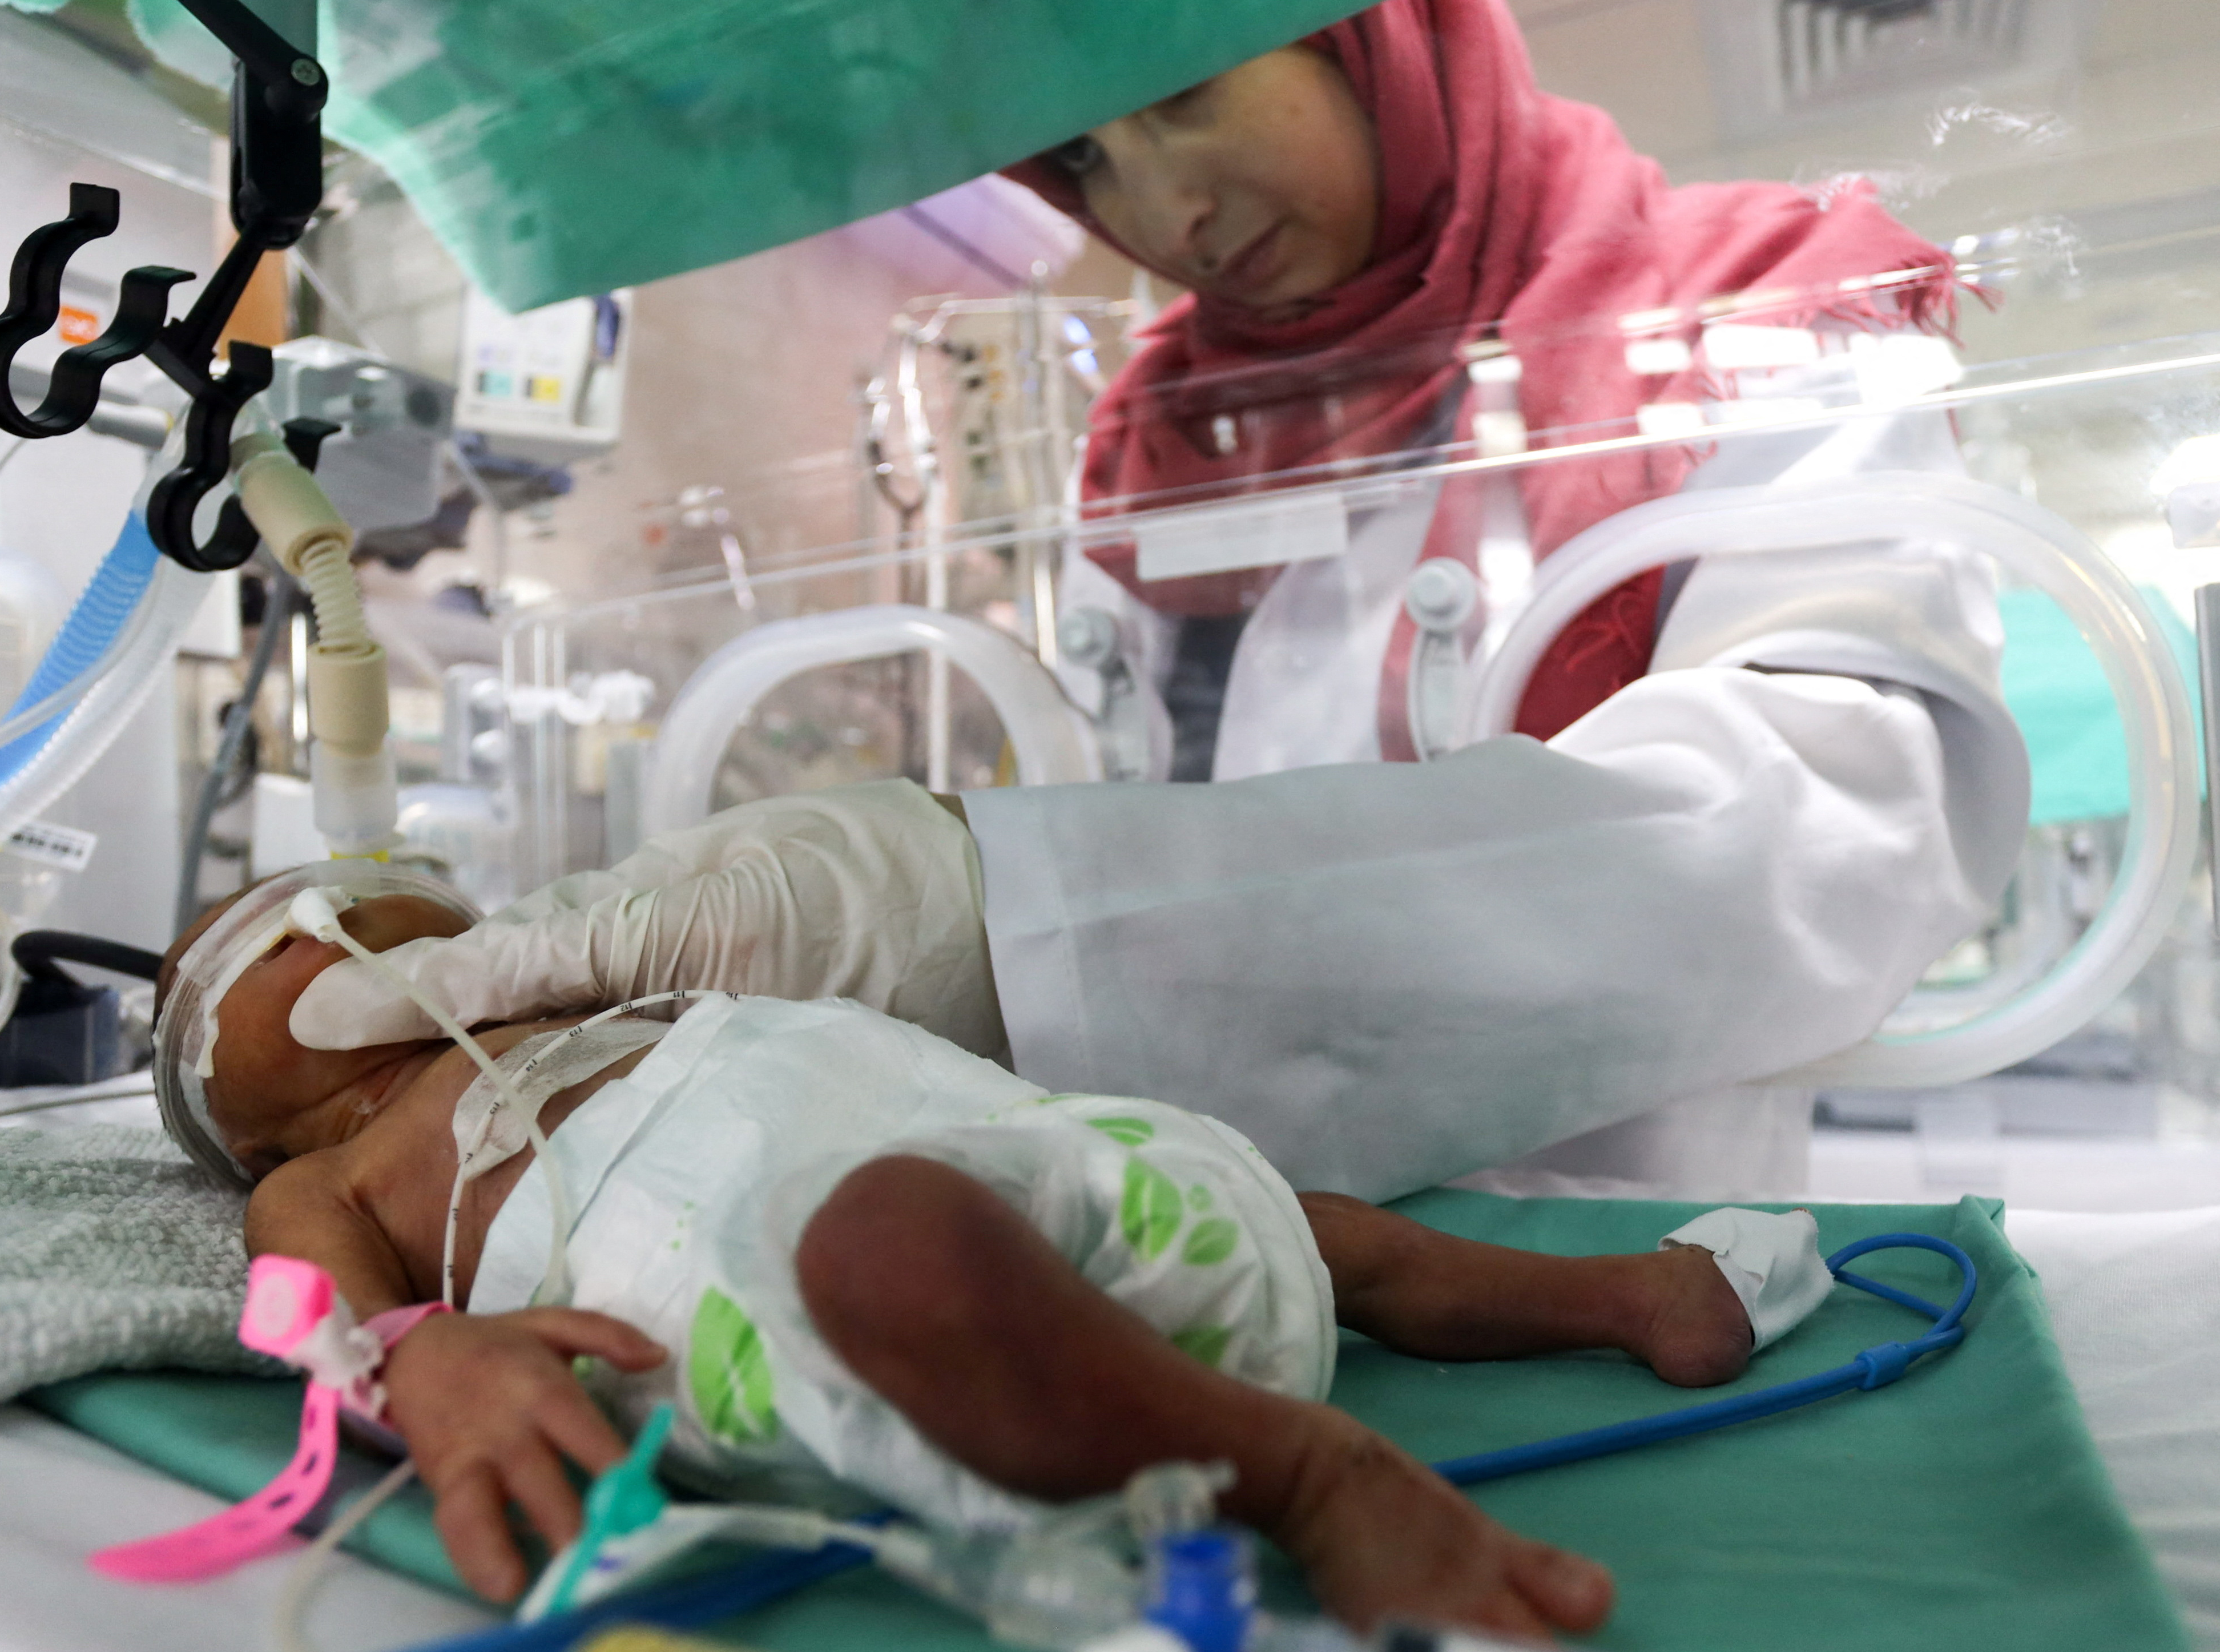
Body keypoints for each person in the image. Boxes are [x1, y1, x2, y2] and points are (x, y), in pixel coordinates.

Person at [285, 0, 2029, 1204]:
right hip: (1233, 1248)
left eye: (1187, 87)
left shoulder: (1748, 318)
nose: (1167, 211)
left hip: (1631, 1242)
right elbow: (1122, 806)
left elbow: (1850, 815)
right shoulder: (1158, 442)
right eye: (1084, 161)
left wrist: (1032, 924)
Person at [190, 883, 1826, 1640]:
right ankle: (1314, 1478)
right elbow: (300, 1305)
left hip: (1083, 1197)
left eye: (348, 901)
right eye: (265, 938)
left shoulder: (598, 981)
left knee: (1302, 1221)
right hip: (862, 1329)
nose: (325, 917)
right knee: (894, 1251)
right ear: (246, 1124)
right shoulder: (331, 1175)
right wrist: (429, 1355)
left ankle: (1629, 1294)